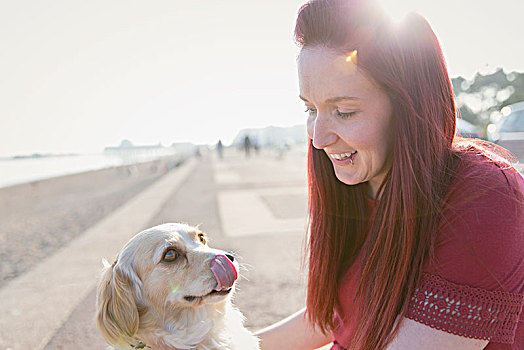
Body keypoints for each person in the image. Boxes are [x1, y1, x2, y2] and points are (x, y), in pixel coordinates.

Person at [256, 0, 524, 349]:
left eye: (344, 111)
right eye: (310, 109)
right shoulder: (362, 185)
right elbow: (335, 317)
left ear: (409, 107)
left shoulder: (486, 198)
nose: (319, 139)